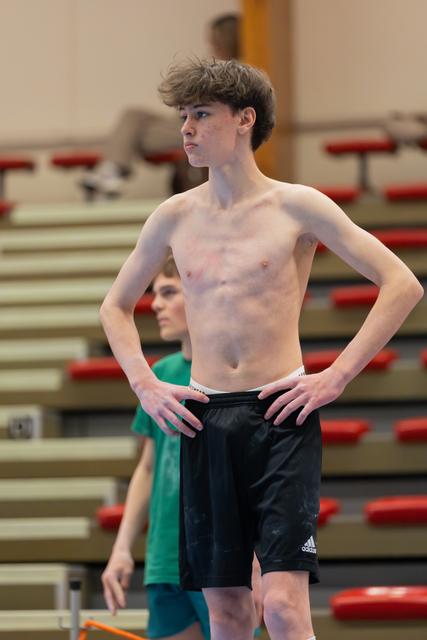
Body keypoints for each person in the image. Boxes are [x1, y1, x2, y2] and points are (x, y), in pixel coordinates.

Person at [99, 59, 424, 640]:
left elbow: (402, 283)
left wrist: (337, 376)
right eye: (183, 117)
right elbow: (114, 307)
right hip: (204, 417)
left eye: (201, 115)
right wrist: (145, 384)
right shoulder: (172, 216)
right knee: (225, 608)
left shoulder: (297, 205)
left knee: (281, 604)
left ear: (245, 119)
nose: (186, 130)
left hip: (279, 414)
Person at [101, 256, 262, 639]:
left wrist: (257, 558)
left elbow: (258, 474)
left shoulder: (239, 375)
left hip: (223, 557)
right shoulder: (158, 375)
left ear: (200, 295)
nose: (155, 304)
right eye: (154, 294)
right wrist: (122, 548)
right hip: (164, 558)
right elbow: (148, 467)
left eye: (168, 293)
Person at [82, 14, 240, 198]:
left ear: (227, 39)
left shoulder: (237, 71)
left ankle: (111, 171)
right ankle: (110, 170)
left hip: (202, 129)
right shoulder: (216, 66)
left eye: (214, 41)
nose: (211, 46)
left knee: (135, 134)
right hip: (184, 122)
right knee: (134, 115)